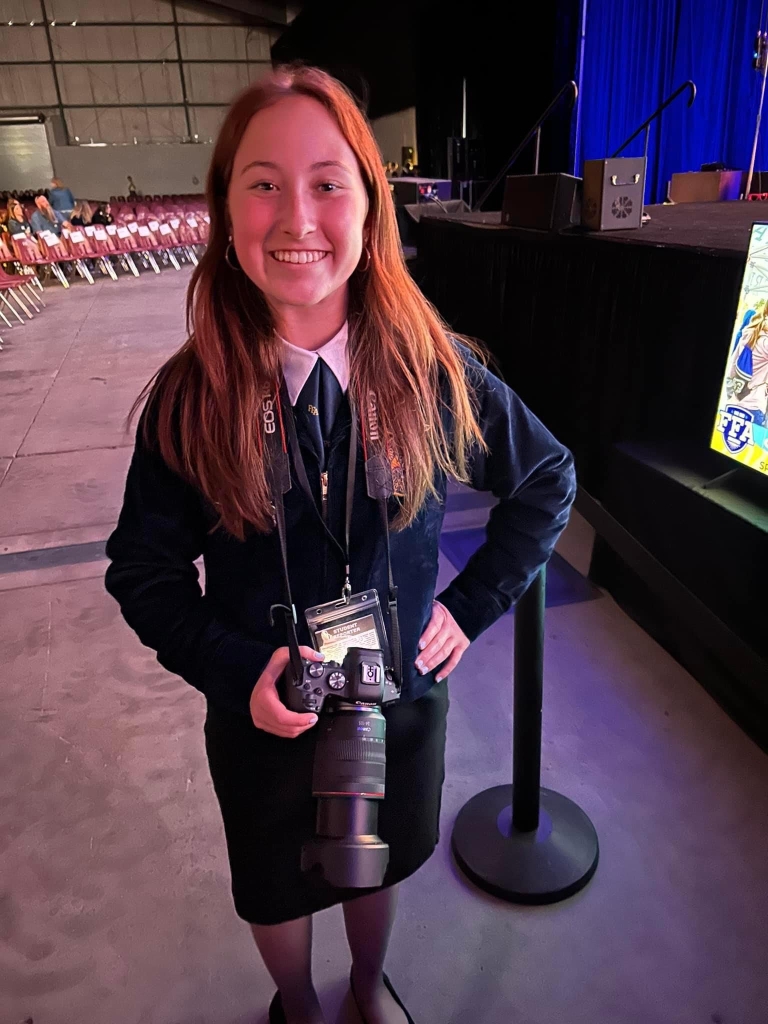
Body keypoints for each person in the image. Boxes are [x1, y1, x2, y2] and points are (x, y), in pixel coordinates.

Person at [104, 66, 575, 1024]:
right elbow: (143, 570)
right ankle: (301, 1007)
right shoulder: (193, 396)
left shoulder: (430, 369)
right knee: (274, 883)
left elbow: (547, 481)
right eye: (263, 182)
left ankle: (367, 989)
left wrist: (469, 606)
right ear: (226, 213)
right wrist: (238, 669)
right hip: (263, 708)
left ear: (370, 207)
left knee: (379, 858)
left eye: (327, 182)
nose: (296, 216)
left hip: (395, 698)